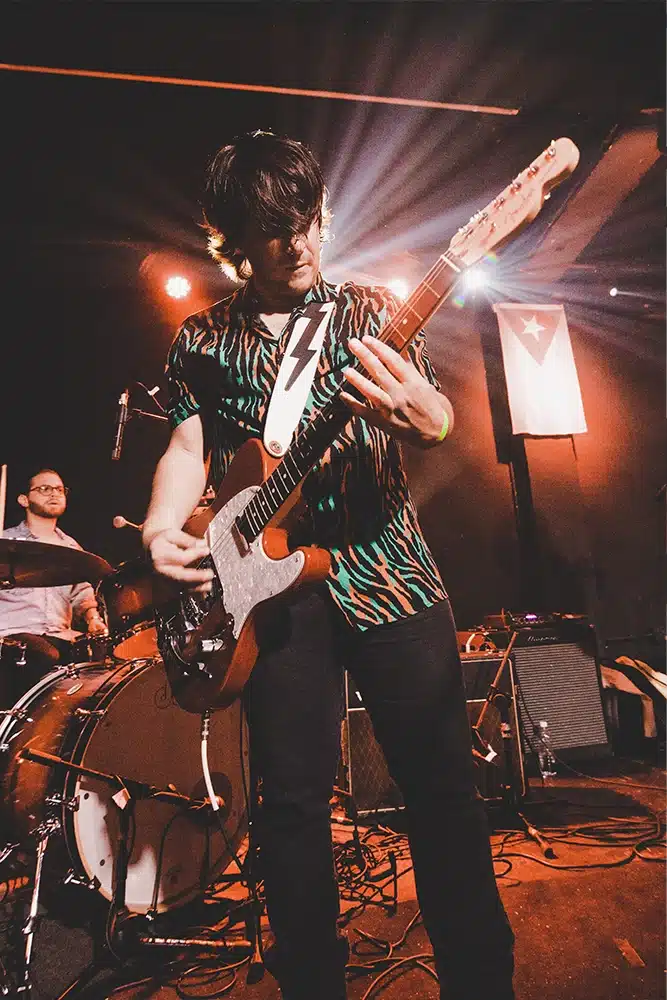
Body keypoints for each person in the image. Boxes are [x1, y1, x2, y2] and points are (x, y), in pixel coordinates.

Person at [143, 131, 515, 1000]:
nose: (302, 243)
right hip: (273, 599)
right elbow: (188, 439)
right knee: (293, 810)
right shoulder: (202, 335)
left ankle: (482, 984)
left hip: (388, 568)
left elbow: (429, 411)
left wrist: (429, 419)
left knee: (441, 795)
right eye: (276, 231)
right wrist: (163, 522)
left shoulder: (373, 309)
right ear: (232, 242)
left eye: (309, 220)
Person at [0, 468, 107, 704]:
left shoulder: (70, 547)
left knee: (102, 667)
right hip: (13, 638)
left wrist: (92, 619)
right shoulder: (6, 544)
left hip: (60, 636)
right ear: (23, 499)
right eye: (44, 489)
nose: (54, 494)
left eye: (59, 489)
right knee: (43, 654)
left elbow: (82, 593)